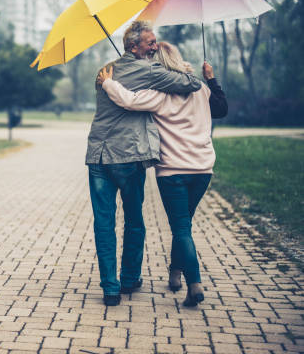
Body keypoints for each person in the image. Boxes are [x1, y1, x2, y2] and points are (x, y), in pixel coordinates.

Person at [96, 41, 228, 307]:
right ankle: (175, 273)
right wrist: (212, 80)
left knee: (181, 228)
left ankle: (194, 283)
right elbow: (222, 109)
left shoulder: (158, 94)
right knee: (185, 225)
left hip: (174, 171)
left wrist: (108, 82)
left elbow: (129, 100)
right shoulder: (200, 88)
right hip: (203, 168)